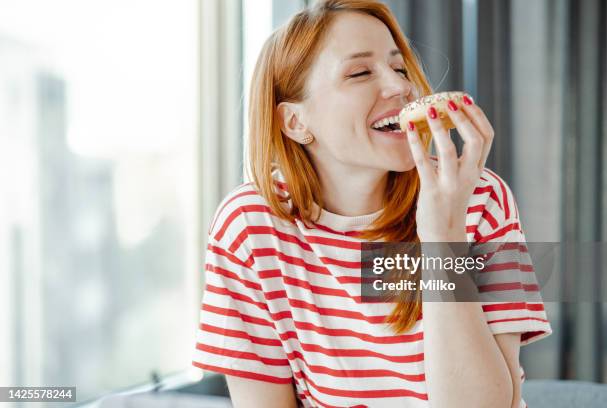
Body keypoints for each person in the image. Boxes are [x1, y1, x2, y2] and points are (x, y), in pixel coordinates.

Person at [192, 0, 552, 407]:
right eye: (360, 72)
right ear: (295, 122)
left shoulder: (478, 198)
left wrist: (442, 234)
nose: (402, 87)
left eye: (399, 67)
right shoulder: (250, 227)